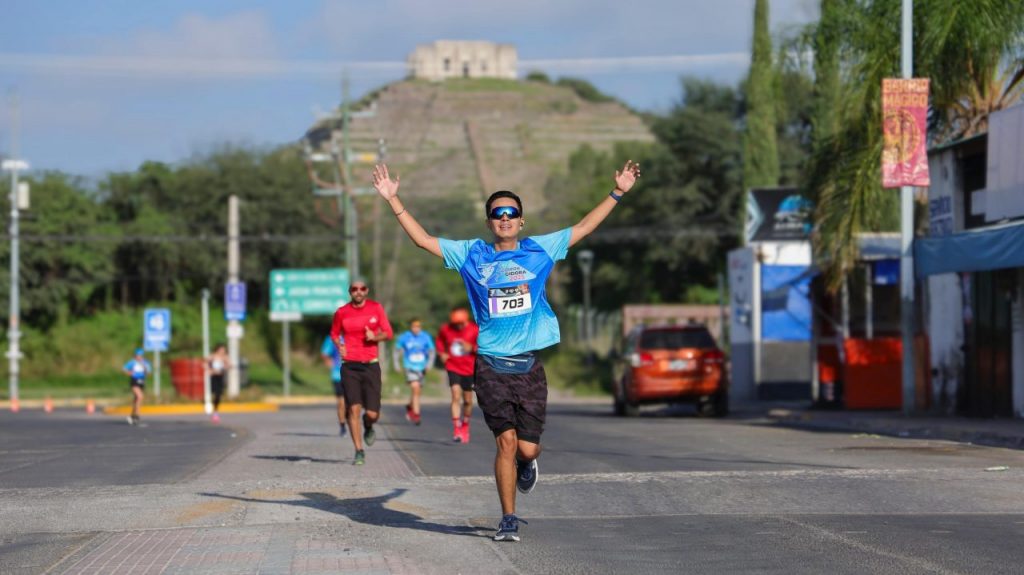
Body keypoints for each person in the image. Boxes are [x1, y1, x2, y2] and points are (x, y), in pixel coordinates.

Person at [372, 159, 640, 542]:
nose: (504, 218)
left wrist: (618, 192)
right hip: (490, 365)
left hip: (528, 366)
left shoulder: (539, 250)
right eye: (497, 214)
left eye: (511, 213)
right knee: (506, 442)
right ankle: (508, 518)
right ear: (489, 222)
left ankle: (527, 465)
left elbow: (583, 227)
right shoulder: (471, 254)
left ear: (521, 221)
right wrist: (393, 200)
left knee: (527, 449)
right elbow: (424, 240)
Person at [330, 279, 393, 466]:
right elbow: (334, 333)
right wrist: (340, 345)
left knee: (373, 413)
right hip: (350, 366)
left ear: (367, 291)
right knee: (353, 409)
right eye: (354, 289)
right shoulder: (342, 312)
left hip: (371, 365)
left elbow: (388, 333)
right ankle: (359, 451)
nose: (358, 291)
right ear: (350, 292)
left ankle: (369, 425)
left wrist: (375, 336)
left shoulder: (376, 308)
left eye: (362, 288)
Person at [436, 308, 479, 443]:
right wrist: (441, 353)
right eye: (456, 323)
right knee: (455, 394)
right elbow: (439, 341)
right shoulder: (446, 329)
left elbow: (484, 347)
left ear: (466, 321)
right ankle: (456, 428)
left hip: (469, 369)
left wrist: (472, 348)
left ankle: (465, 424)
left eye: (461, 323)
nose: (458, 326)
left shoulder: (474, 329)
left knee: (468, 401)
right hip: (452, 366)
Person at [393, 318, 435, 426]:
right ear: (410, 327)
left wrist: (429, 365)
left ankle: (410, 406)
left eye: (418, 326)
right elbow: (396, 351)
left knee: (417, 391)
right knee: (415, 388)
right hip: (409, 367)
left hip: (422, 368)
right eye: (414, 326)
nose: (416, 329)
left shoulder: (426, 337)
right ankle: (416, 415)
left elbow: (432, 352)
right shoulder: (405, 337)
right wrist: (397, 365)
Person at [320, 333, 347, 436]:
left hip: (352, 374)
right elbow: (324, 353)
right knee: (341, 402)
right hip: (337, 375)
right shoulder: (331, 338)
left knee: (351, 403)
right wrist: (328, 361)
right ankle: (342, 426)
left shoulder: (353, 335)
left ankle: (351, 420)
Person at [122, 348, 152, 426]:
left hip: (142, 381)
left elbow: (149, 373)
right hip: (134, 381)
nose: (139, 357)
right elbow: (124, 369)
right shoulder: (132, 362)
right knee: (140, 397)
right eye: (137, 356)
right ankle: (137, 415)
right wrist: (129, 373)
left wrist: (145, 370)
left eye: (140, 356)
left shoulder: (146, 363)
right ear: (135, 356)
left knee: (136, 399)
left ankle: (132, 416)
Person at [206, 343, 230, 424]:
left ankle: (215, 412)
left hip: (220, 377)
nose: (222, 351)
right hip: (213, 377)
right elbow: (205, 364)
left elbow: (229, 365)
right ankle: (211, 406)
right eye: (221, 350)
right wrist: (210, 370)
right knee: (213, 392)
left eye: (224, 350)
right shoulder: (212, 356)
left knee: (218, 394)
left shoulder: (225, 357)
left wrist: (225, 367)